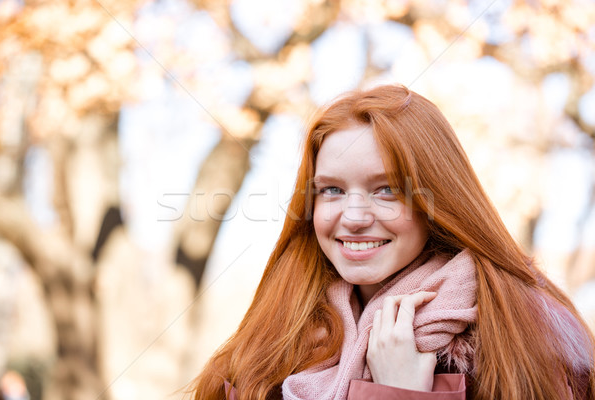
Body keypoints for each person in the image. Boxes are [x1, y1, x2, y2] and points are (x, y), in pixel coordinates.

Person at [188, 85, 595, 399]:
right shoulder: (278, 331)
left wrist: (401, 391)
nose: (354, 217)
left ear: (435, 200)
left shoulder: (522, 335)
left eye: (386, 190)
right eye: (331, 190)